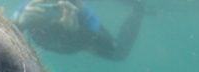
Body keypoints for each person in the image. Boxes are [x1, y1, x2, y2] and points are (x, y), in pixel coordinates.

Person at [12, 0, 144, 61]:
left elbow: (109, 45)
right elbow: (3, 34)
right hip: (54, 43)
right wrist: (20, 23)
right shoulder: (29, 8)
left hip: (74, 41)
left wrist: (76, 31)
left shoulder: (81, 12)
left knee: (119, 53)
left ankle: (138, 10)